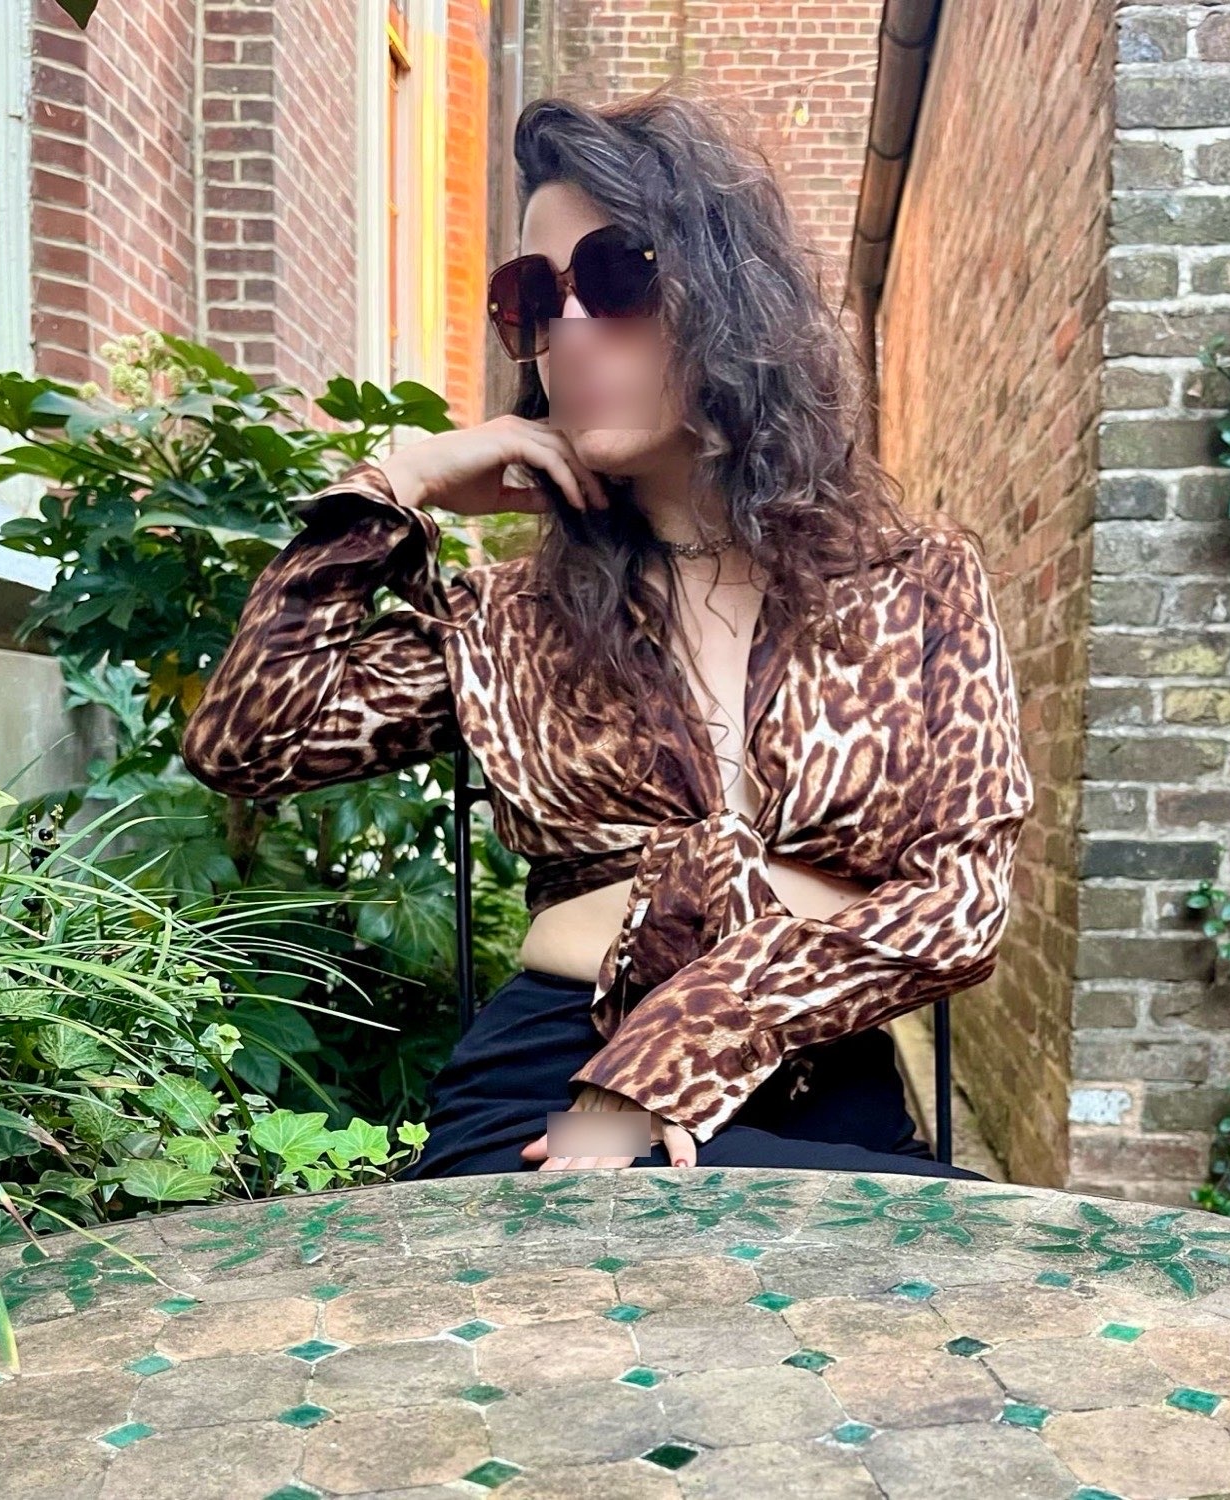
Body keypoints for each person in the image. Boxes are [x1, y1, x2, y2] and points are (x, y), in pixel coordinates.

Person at [181, 84, 1035, 1183]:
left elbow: (960, 905)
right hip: (549, 1085)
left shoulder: (911, 586)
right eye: (536, 297)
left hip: (817, 1074)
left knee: (993, 1263)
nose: (571, 330)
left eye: (618, 276)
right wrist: (395, 486)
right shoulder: (509, 621)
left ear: (730, 296)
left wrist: (669, 1057)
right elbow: (249, 740)